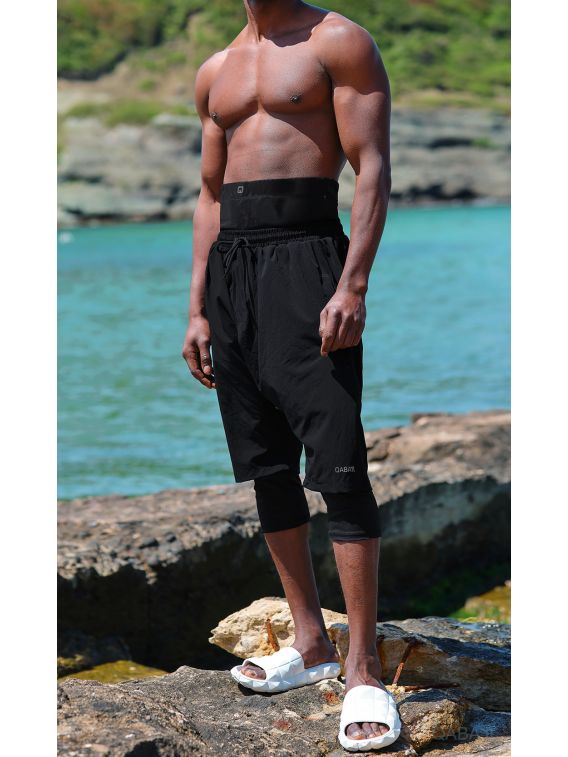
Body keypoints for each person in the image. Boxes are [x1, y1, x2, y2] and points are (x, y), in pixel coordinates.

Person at [182, 1, 399, 750]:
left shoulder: (338, 42)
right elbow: (210, 194)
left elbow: (372, 166)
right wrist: (197, 308)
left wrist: (352, 284)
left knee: (338, 459)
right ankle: (310, 641)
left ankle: (364, 668)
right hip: (233, 272)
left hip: (308, 255)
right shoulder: (216, 70)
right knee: (266, 463)